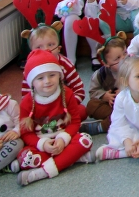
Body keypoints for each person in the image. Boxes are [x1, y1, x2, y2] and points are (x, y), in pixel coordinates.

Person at [16, 50, 94, 186]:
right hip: (42, 145)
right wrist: (43, 144)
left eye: (52, 75)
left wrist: (63, 139)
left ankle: (41, 173)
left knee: (85, 140)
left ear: (59, 75)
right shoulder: (26, 103)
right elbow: (26, 133)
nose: (47, 81)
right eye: (40, 78)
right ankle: (71, 159)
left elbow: (75, 122)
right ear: (32, 82)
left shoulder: (67, 94)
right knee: (25, 158)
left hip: (64, 141)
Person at [20, 25, 85, 104]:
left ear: (58, 48)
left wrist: (71, 104)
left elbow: (78, 89)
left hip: (64, 102)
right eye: (39, 47)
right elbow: (26, 93)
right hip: (40, 105)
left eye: (50, 45)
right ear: (32, 52)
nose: (45, 50)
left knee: (81, 110)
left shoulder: (66, 64)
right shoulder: (30, 67)